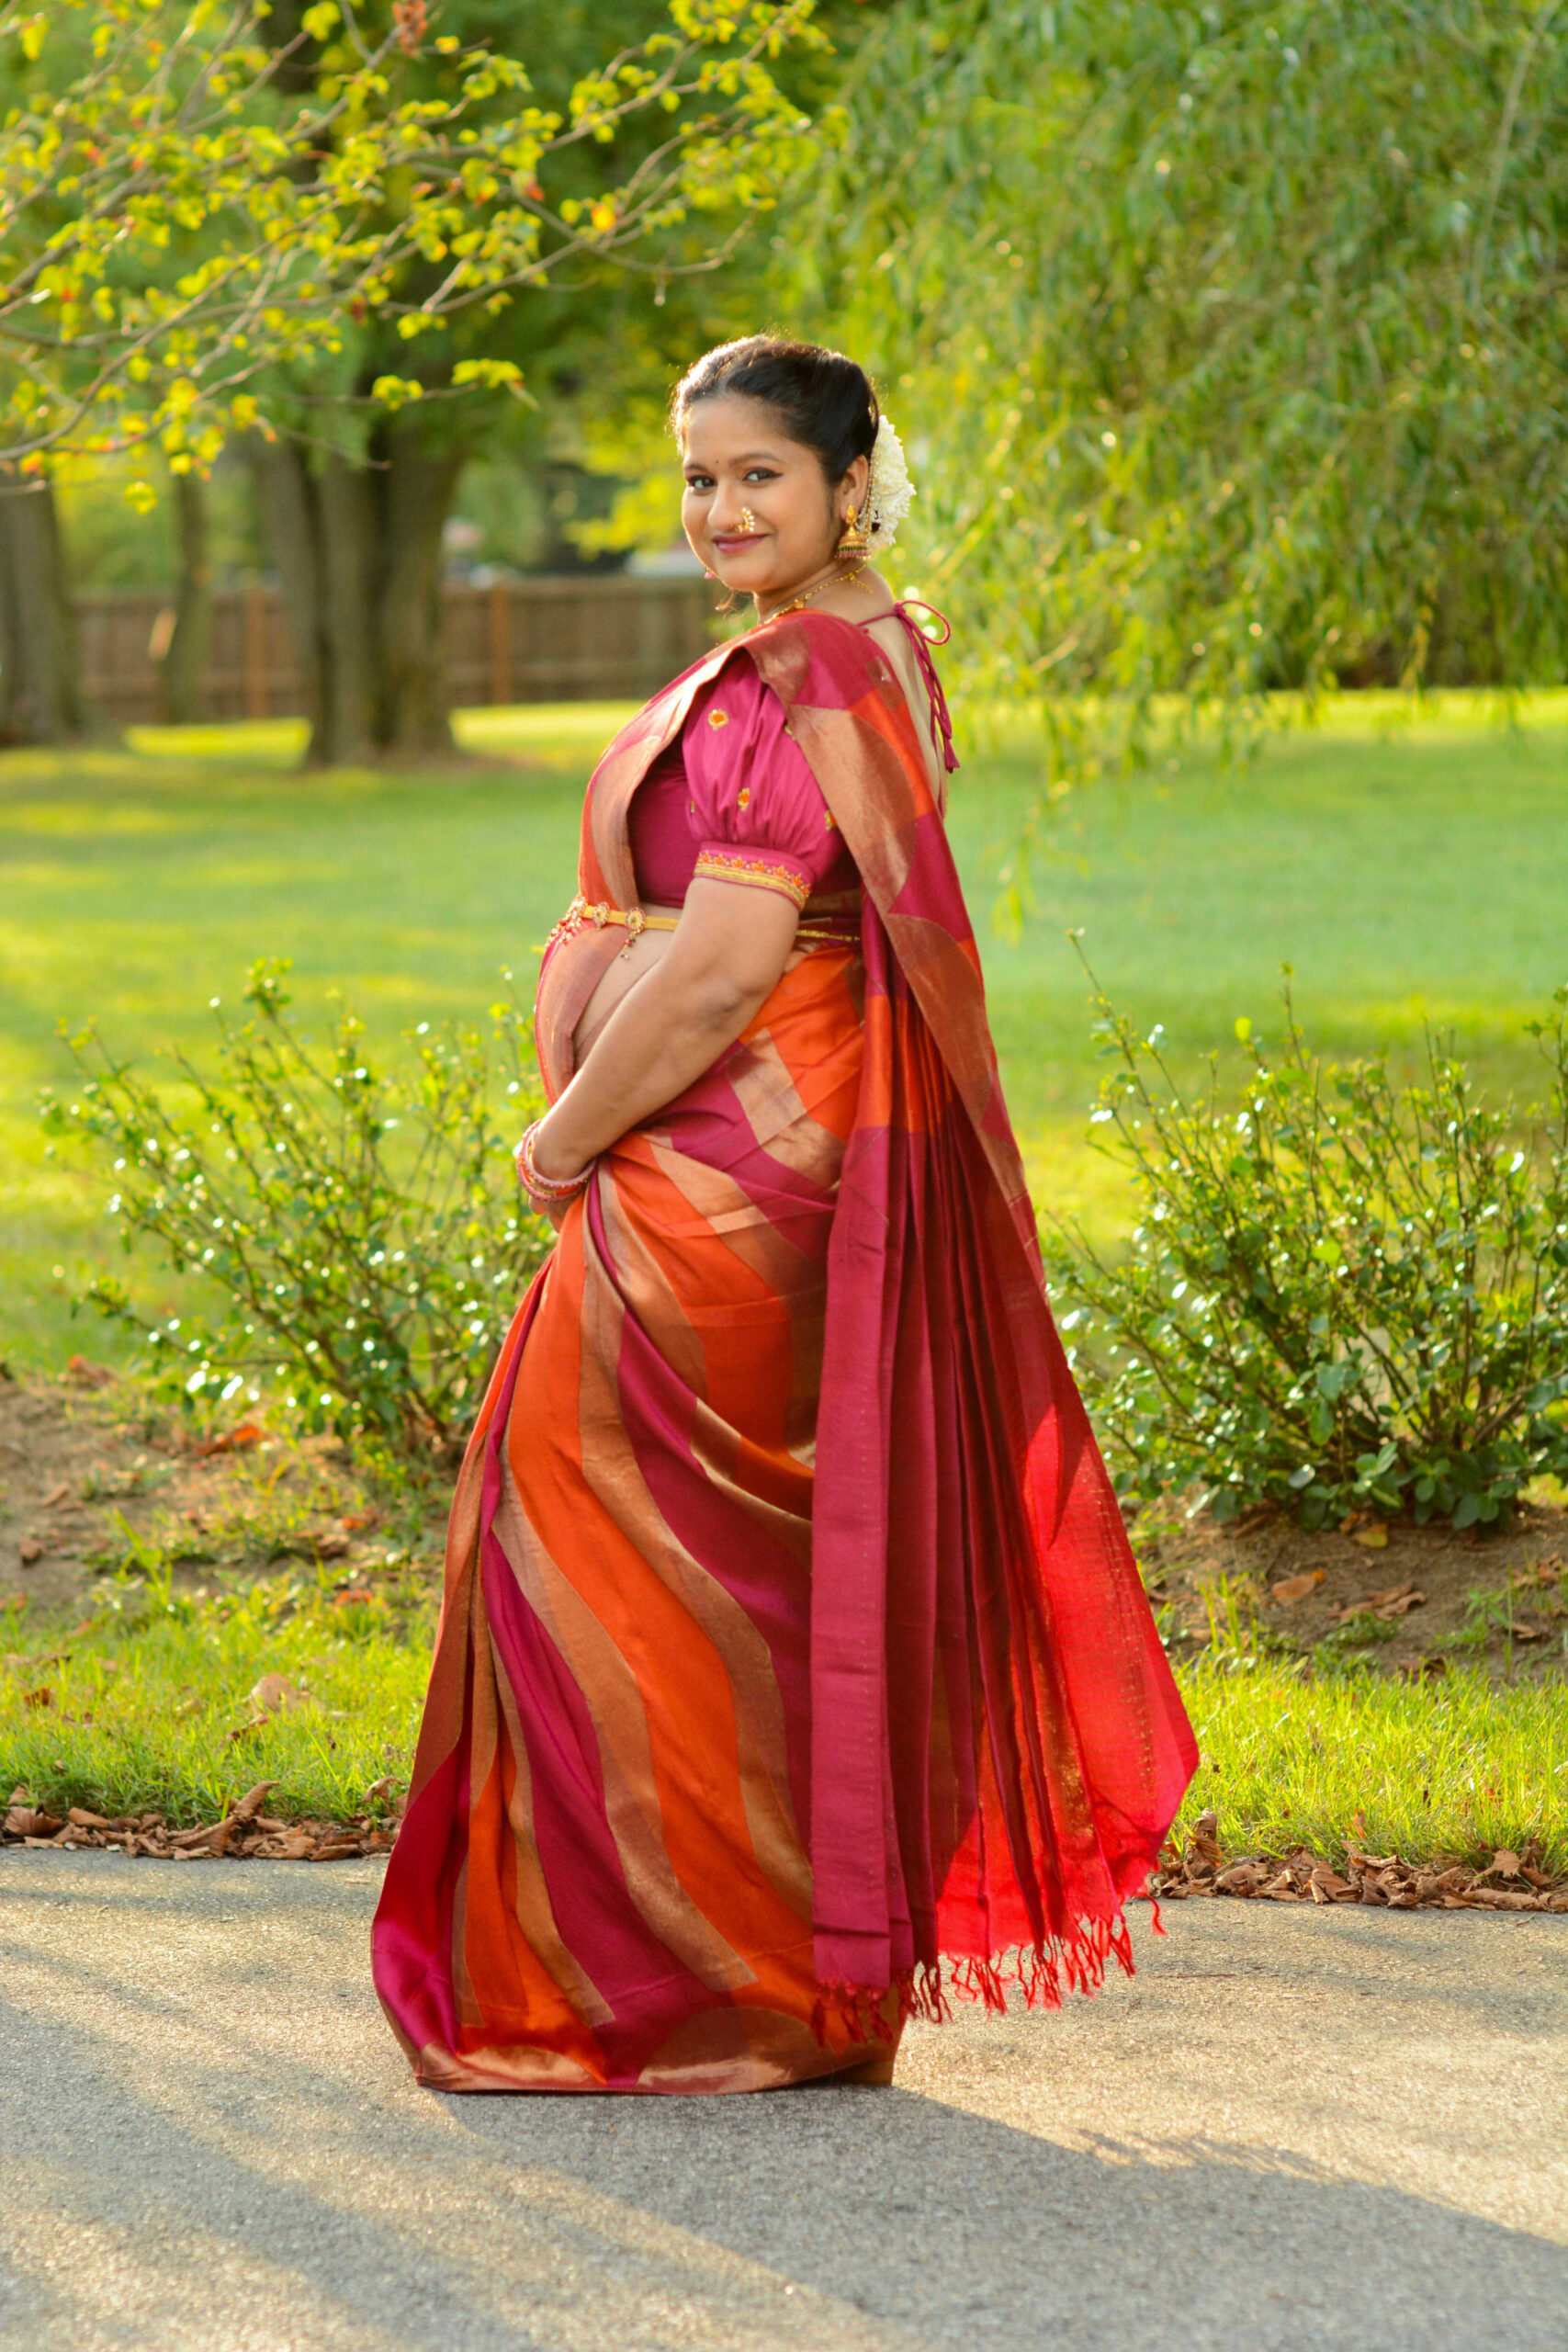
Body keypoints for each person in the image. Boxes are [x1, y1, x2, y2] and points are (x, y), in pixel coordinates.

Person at [372, 335, 1197, 2096]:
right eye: (698, 477)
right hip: (773, 1170)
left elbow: (727, 970)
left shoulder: (811, 670)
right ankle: (752, 1979)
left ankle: (677, 1991)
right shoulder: (852, 649)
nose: (721, 507)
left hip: (725, 1180)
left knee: (594, 1539)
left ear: (845, 483)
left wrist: (563, 1138)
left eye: (759, 474)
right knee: (722, 1568)